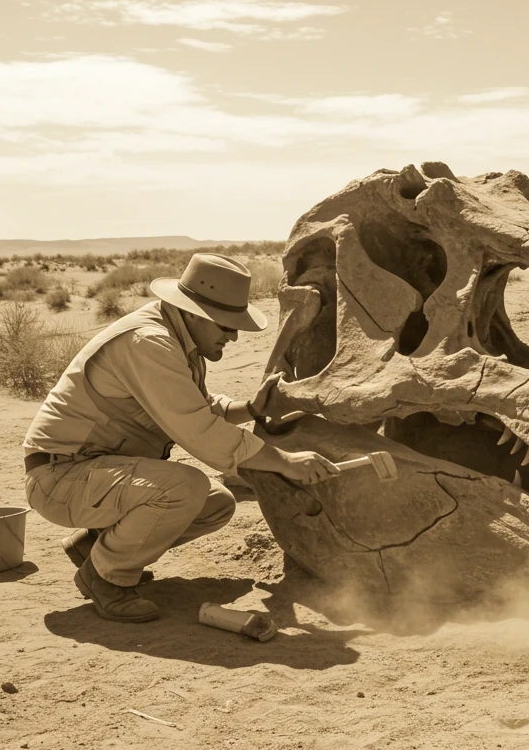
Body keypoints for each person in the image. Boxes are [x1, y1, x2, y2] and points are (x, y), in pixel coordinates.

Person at [22, 253, 337, 623]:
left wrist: (250, 408)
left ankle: (94, 547)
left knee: (215, 502)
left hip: (92, 471)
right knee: (183, 488)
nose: (233, 336)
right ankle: (106, 578)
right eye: (225, 325)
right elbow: (199, 432)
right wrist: (287, 463)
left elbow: (198, 408)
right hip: (61, 478)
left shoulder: (177, 339)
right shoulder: (149, 343)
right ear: (193, 313)